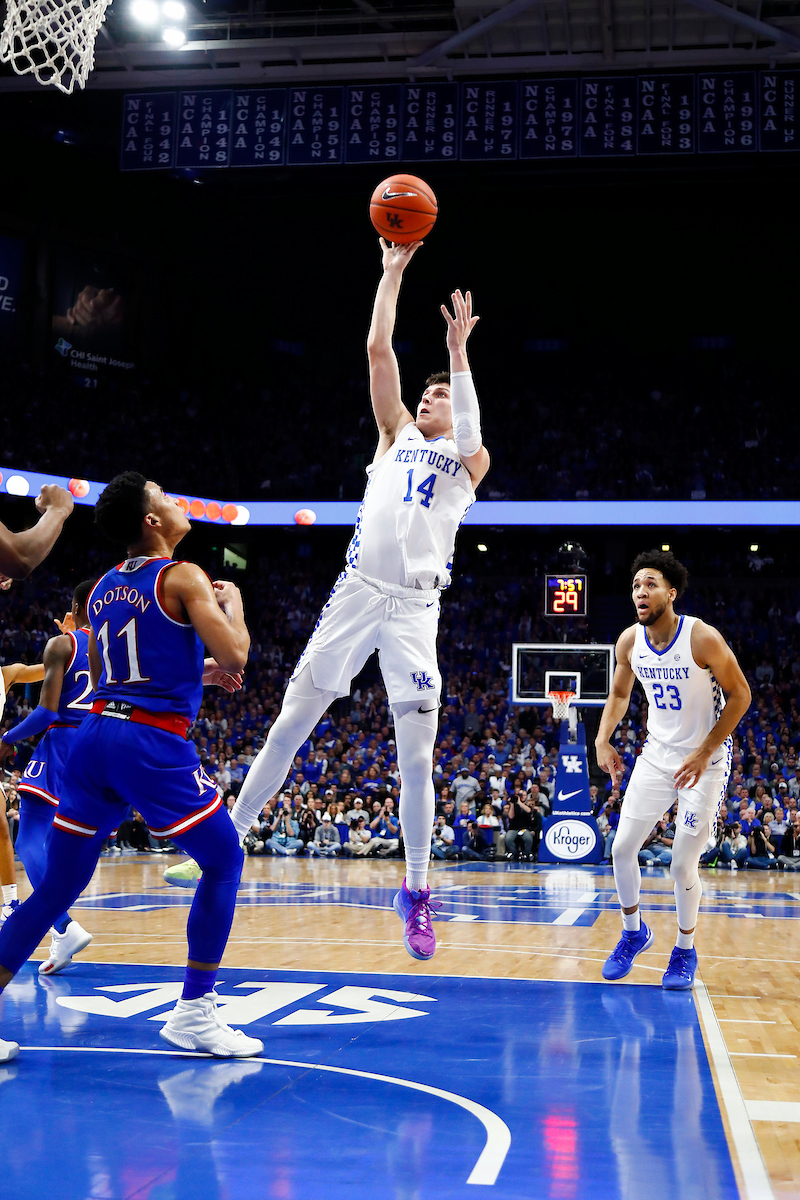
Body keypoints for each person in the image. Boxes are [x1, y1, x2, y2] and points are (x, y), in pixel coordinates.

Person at [165, 241, 489, 965]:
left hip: (414, 611)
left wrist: (457, 354)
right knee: (290, 720)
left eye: (440, 394)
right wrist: (390, 274)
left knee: (417, 756)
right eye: (429, 392)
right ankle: (230, 837)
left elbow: (470, 430)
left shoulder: (470, 460)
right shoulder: (393, 435)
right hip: (356, 594)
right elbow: (378, 349)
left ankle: (415, 891)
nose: (430, 399)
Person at [0, 472, 262, 1059]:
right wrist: (233, 605)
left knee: (56, 890)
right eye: (165, 497)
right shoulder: (185, 575)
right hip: (148, 743)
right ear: (151, 521)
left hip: (94, 739)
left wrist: (199, 674)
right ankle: (194, 1012)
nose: (174, 502)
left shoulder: (100, 591)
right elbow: (237, 653)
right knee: (223, 860)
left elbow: (125, 671)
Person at [595, 549, 750, 990]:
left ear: (671, 592)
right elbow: (620, 695)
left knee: (683, 864)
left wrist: (703, 752)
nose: (640, 592)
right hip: (657, 755)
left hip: (707, 759)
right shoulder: (630, 642)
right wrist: (602, 739)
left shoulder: (702, 638)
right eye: (635, 586)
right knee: (621, 849)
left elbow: (741, 696)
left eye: (650, 584)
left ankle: (684, 950)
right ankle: (633, 934)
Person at [0, 582, 96, 975]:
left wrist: (5, 738)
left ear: (74, 606)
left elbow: (48, 712)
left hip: (63, 743)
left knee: (28, 839)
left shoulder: (66, 643)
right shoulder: (111, 646)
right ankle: (60, 927)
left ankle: (62, 925)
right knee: (64, 843)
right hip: (99, 744)